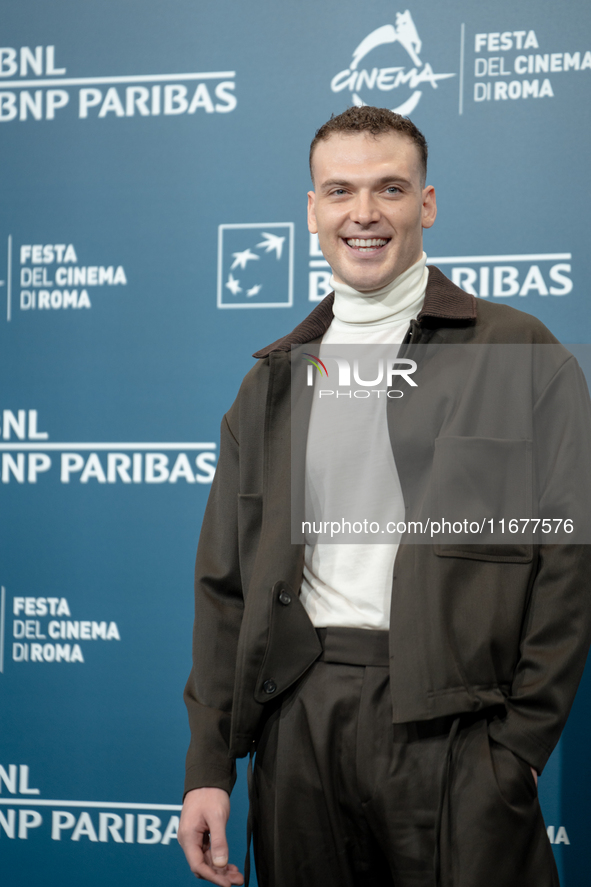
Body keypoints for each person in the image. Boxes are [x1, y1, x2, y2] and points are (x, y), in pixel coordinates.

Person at [178, 106, 591, 887]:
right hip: (300, 724)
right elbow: (224, 586)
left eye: (388, 189)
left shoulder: (519, 352)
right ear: (312, 211)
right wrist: (209, 766)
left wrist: (517, 749)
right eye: (339, 191)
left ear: (425, 204)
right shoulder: (270, 383)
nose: (362, 214)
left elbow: (567, 567)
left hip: (457, 732)